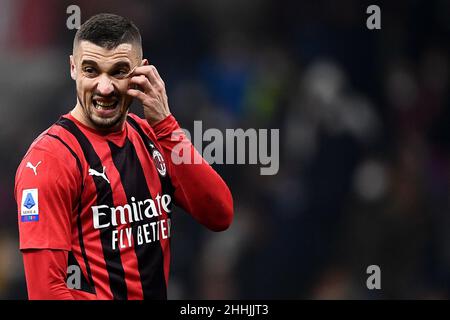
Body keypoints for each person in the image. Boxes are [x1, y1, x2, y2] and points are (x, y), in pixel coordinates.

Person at [14, 13, 233, 300]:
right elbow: (46, 293)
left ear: (141, 72)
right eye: (91, 70)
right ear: (72, 68)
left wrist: (166, 124)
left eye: (118, 71)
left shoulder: (155, 136)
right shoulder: (49, 161)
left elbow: (219, 214)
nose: (104, 88)